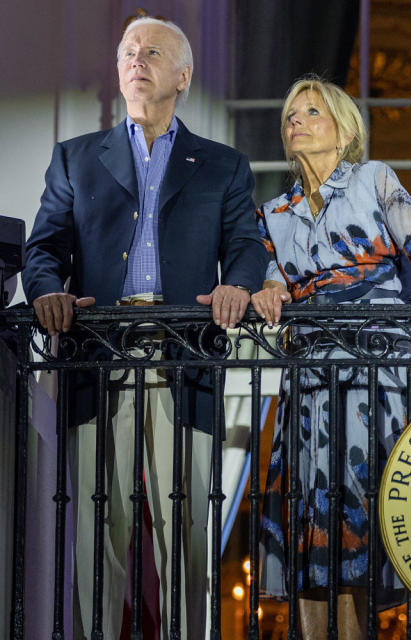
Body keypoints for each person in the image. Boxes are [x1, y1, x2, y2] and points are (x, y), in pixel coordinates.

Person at [21, 16, 267, 638]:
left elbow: (244, 243)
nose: (136, 60)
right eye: (129, 51)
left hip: (185, 361)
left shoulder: (223, 164)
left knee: (188, 534)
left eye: (152, 52)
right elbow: (43, 247)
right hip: (98, 359)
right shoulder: (75, 157)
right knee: (98, 532)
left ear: (181, 76)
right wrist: (49, 291)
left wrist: (237, 284)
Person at [251, 75, 411, 640]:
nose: (296, 121)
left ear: (342, 132)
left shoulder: (373, 179)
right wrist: (267, 291)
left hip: (376, 378)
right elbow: (270, 279)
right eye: (291, 114)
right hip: (311, 384)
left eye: (311, 112)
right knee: (312, 533)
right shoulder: (274, 211)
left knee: (362, 527)